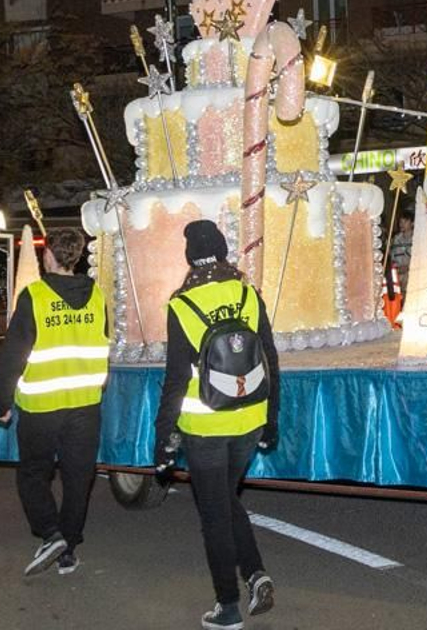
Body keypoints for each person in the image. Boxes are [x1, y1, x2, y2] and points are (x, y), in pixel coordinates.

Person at [154, 221, 280, 630]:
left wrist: (163, 440)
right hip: (249, 419)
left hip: (205, 425)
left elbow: (175, 380)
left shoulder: (182, 305)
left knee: (214, 514)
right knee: (225, 500)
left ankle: (227, 607)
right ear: (224, 252)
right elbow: (270, 358)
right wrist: (271, 419)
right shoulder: (248, 293)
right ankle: (257, 573)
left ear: (191, 257)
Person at [0, 228, 108, 576]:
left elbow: (13, 355)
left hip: (42, 406)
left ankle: (51, 533)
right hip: (86, 404)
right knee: (78, 479)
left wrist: (1, 402)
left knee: (32, 475)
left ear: (49, 256)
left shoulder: (35, 296)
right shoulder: (97, 295)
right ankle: (68, 549)